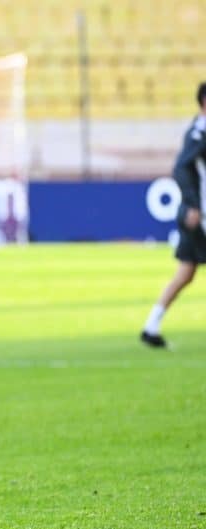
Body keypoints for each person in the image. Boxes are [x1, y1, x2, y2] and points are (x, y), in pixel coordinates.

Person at [141, 81, 206, 348]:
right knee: (185, 272)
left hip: (197, 214)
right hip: (200, 216)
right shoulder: (199, 132)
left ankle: (151, 326)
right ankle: (151, 325)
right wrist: (192, 205)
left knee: (186, 272)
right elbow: (181, 167)